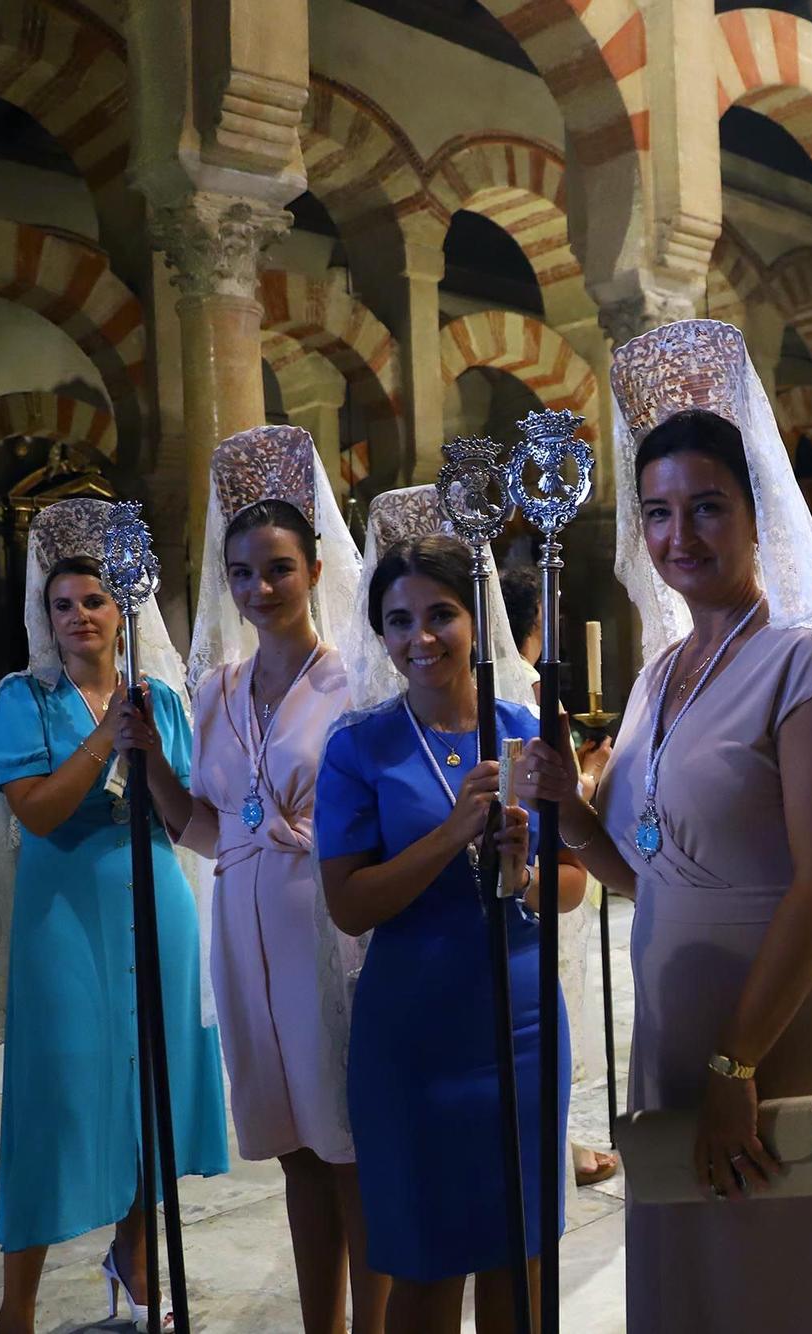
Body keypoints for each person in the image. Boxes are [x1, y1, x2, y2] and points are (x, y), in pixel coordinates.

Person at [523, 320, 812, 1332]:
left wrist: (736, 1063)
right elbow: (644, 872)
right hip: (675, 1038)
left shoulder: (805, 667)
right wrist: (570, 812)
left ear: (755, 517)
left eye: (705, 506)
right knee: (705, 1291)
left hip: (773, 1035)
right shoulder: (658, 676)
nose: (678, 535)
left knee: (777, 1285)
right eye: (656, 512)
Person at [0, 498, 228, 1334]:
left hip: (155, 901)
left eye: (94, 602)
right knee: (57, 1098)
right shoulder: (22, 699)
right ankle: (17, 1309)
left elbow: (182, 816)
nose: (78, 617)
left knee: (153, 1090)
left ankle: (135, 1259)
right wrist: (107, 737)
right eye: (62, 605)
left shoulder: (164, 702)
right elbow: (35, 813)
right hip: (63, 916)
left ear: (123, 610)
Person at [316, 499, 585, 1334]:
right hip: (415, 1034)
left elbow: (576, 879)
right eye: (399, 622)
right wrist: (451, 835)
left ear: (477, 619)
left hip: (524, 1024)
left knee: (521, 1257)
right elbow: (349, 904)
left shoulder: (531, 733)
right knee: (426, 1268)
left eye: (441, 615)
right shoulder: (358, 746)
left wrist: (526, 873)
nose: (420, 638)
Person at [180, 426, 384, 1333]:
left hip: (325, 933)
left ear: (313, 571)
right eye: (242, 573)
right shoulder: (216, 693)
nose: (258, 590)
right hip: (242, 930)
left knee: (346, 1150)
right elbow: (208, 828)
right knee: (294, 1151)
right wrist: (147, 766)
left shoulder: (350, 685)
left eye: (277, 570)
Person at [499, 560, 620, 1189]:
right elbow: (560, 794)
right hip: (548, 868)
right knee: (562, 991)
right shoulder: (529, 692)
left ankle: (568, 1140)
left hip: (540, 870)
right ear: (536, 617)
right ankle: (569, 1140)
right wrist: (596, 769)